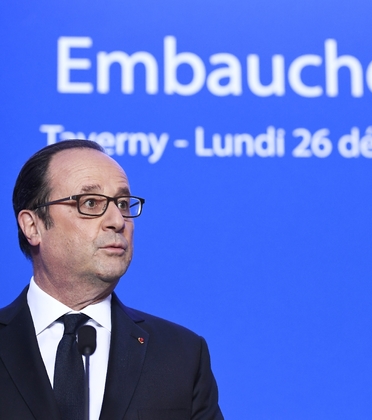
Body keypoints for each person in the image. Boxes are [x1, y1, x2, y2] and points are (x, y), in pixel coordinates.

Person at [0, 140, 224, 420]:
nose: (117, 220)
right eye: (91, 203)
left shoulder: (182, 355)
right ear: (33, 226)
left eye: (122, 203)